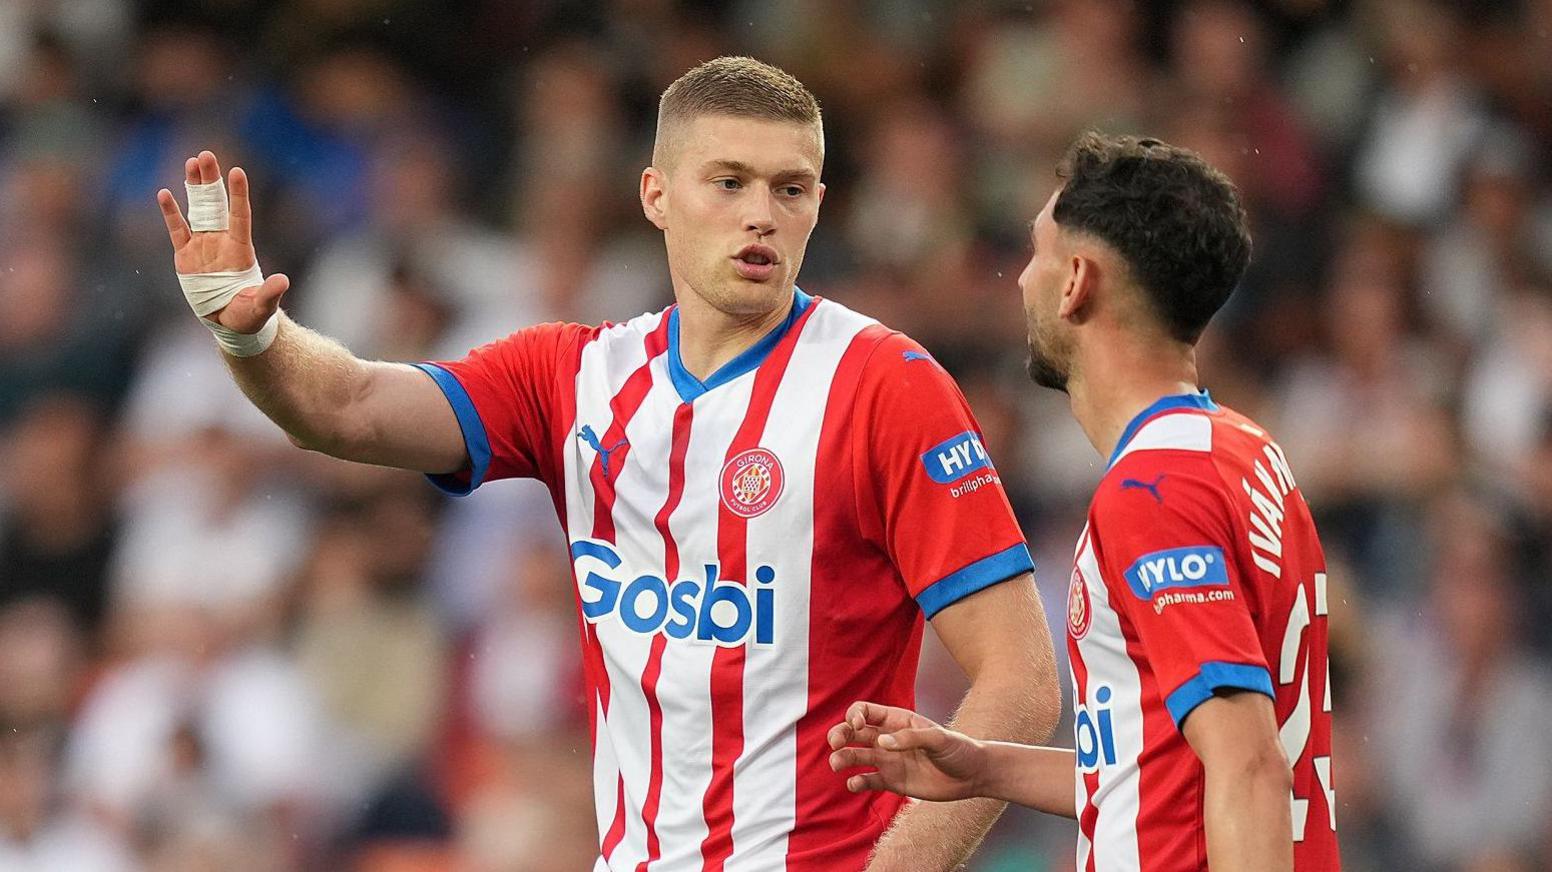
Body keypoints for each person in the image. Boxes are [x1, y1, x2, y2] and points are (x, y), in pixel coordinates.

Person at [154, 56, 1062, 871]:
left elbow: (1021, 684)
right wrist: (254, 337)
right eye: (730, 181)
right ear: (656, 195)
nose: (761, 214)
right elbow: (343, 407)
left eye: (792, 189)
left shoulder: (883, 387)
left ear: (821, 204)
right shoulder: (573, 374)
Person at [828, 133, 1340, 871]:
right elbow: (1170, 771)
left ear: (1077, 281)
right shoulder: (1246, 453)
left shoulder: (1153, 492)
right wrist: (980, 766)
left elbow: (1249, 766)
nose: (1020, 280)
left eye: (1036, 253)